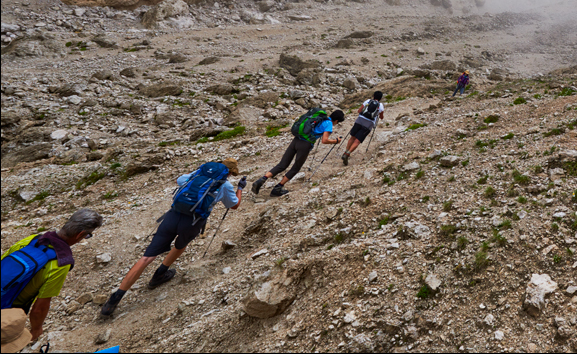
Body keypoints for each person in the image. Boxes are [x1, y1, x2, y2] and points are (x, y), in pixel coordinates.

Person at [100, 159, 243, 317]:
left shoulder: (197, 175)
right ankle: (159, 274)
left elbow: (179, 180)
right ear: (229, 173)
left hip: (172, 216)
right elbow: (234, 205)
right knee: (180, 246)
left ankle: (113, 301)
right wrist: (240, 189)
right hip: (193, 221)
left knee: (147, 257)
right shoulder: (225, 185)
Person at [1, 210, 103, 342]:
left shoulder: (32, 240)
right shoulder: (60, 263)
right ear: (80, 235)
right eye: (88, 235)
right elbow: (40, 306)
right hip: (7, 312)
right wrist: (36, 328)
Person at [251, 109, 345, 197]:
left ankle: (262, 179)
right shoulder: (329, 124)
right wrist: (336, 141)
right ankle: (278, 188)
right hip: (305, 145)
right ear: (336, 120)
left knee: (282, 164)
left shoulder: (320, 118)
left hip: (296, 140)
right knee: (296, 168)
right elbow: (324, 140)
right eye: (338, 122)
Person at [342, 91, 385, 165]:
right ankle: (348, 154)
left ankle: (345, 151)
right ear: (381, 98)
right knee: (357, 141)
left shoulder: (368, 101)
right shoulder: (380, 105)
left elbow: (359, 110)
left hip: (360, 120)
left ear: (373, 96)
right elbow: (381, 117)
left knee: (352, 137)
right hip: (369, 124)